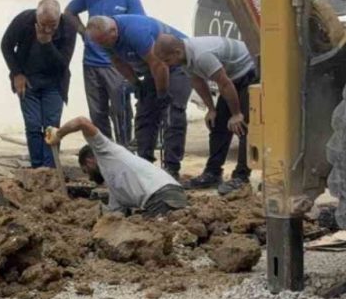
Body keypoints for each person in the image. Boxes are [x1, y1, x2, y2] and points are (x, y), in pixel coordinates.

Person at [86, 14, 191, 179]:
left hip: (177, 65)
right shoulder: (104, 39)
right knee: (144, 115)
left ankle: (171, 168)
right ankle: (144, 165)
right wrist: (136, 83)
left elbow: (159, 63)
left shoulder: (136, 31)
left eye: (104, 42)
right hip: (154, 69)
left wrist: (162, 93)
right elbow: (118, 62)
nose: (102, 46)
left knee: (172, 113)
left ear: (113, 31)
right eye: (99, 43)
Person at [154, 34, 257, 195]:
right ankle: (213, 173)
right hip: (231, 77)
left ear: (177, 52)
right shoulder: (184, 57)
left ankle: (241, 177)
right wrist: (211, 109)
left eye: (167, 60)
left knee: (243, 126)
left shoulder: (202, 56)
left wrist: (237, 114)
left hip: (249, 71)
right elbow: (197, 81)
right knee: (218, 124)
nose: (166, 65)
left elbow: (224, 83)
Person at [64, 0, 144, 145]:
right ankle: (105, 150)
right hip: (91, 64)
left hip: (117, 66)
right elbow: (69, 12)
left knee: (120, 111)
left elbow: (139, 25)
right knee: (98, 113)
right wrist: (83, 32)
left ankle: (124, 149)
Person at [48, 116, 187, 217]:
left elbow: (81, 122)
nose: (89, 177)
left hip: (160, 196)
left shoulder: (104, 150)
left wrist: (58, 134)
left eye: (86, 171)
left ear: (90, 161)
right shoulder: (115, 187)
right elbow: (114, 216)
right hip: (171, 195)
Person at [0, 0, 77, 168]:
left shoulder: (68, 26)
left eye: (53, 25)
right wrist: (17, 73)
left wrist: (47, 43)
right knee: (33, 125)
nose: (48, 29)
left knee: (52, 126)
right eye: (43, 25)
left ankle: (50, 168)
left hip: (55, 82)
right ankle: (37, 167)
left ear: (59, 18)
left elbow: (62, 64)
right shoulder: (24, 20)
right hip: (28, 80)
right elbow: (6, 46)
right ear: (36, 16)